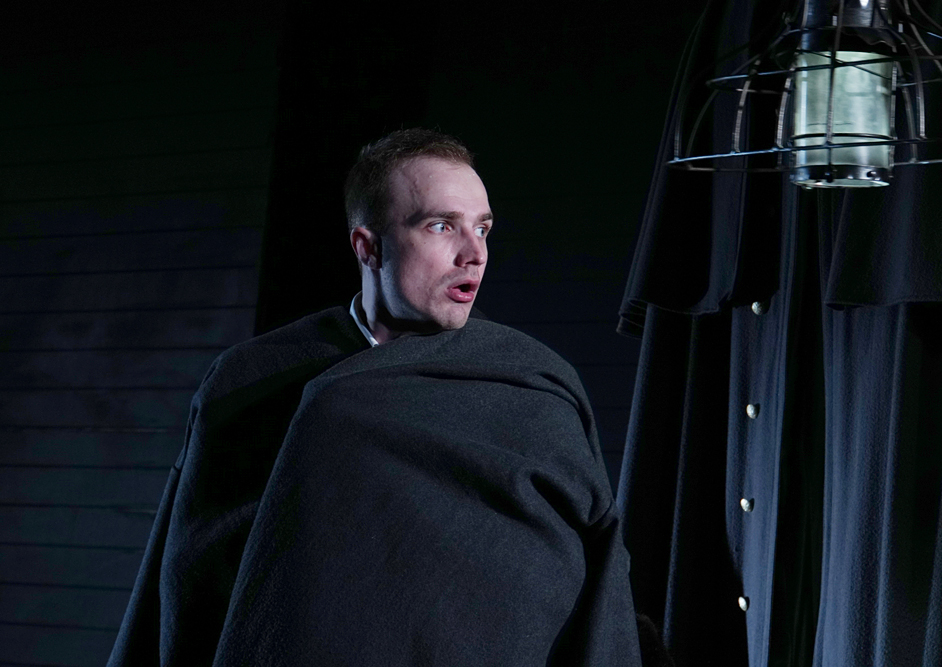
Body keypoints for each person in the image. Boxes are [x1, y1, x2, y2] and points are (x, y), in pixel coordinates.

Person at [108, 128, 643, 666]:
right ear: (367, 246)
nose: (474, 253)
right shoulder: (251, 378)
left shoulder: (533, 385)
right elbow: (189, 579)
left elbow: (595, 579)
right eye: (441, 226)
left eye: (482, 228)